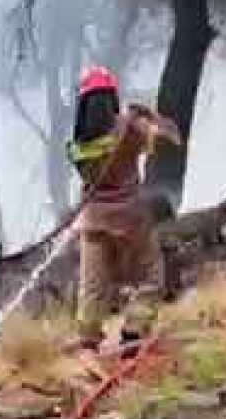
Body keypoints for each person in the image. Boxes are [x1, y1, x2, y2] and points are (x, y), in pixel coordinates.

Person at [66, 65, 181, 352]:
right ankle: (134, 332)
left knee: (92, 287)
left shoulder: (77, 145)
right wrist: (148, 116)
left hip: (92, 222)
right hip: (132, 219)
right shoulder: (130, 128)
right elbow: (172, 136)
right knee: (151, 276)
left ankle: (88, 339)